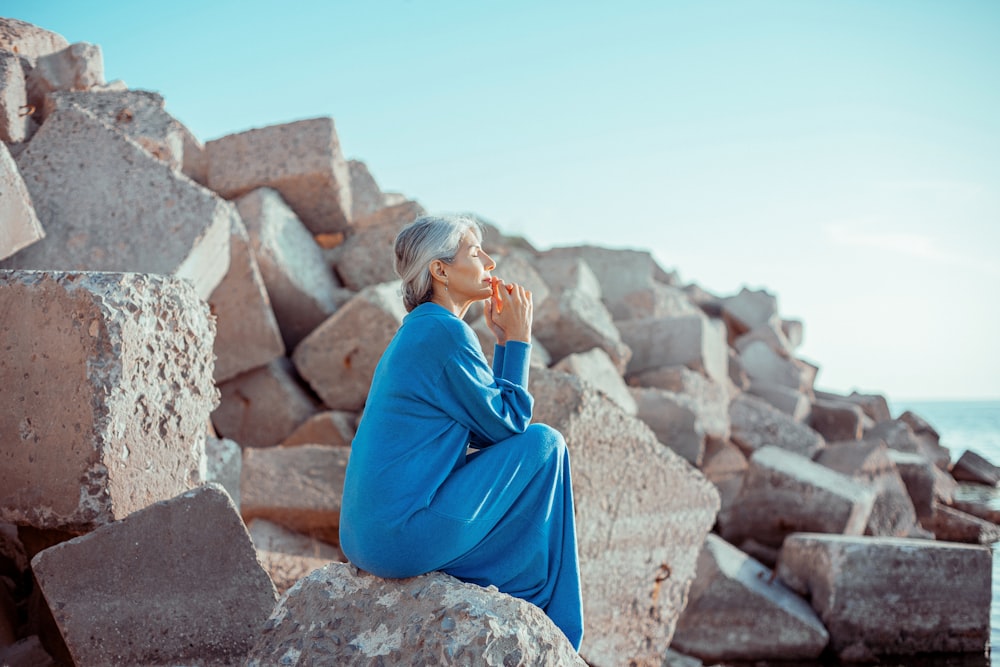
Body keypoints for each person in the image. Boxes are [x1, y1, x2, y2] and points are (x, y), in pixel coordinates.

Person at [338, 214, 584, 650]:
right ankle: (557, 623)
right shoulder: (444, 333)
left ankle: (534, 595)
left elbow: (493, 436)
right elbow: (510, 427)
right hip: (398, 538)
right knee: (548, 444)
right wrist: (518, 340)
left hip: (366, 538)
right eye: (475, 252)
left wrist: (503, 342)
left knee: (538, 449)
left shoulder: (421, 331)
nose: (489, 260)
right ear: (441, 270)